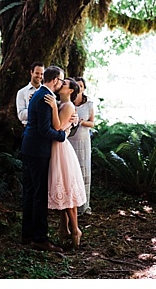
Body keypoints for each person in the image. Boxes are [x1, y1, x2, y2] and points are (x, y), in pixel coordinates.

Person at [20, 66, 68, 252]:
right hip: (38, 151)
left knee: (30, 193)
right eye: (61, 80)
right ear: (55, 80)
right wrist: (62, 135)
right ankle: (40, 238)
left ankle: (27, 235)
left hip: (29, 148)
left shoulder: (39, 94)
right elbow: (44, 130)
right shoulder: (45, 99)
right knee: (39, 195)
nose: (62, 84)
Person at [46, 78, 87, 248]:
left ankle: (76, 229)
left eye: (64, 84)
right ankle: (64, 228)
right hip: (55, 149)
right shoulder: (60, 103)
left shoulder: (68, 106)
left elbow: (57, 128)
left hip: (61, 150)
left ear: (70, 91)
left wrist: (54, 108)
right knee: (60, 189)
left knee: (67, 190)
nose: (60, 85)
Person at [70, 76, 96, 215]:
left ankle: (84, 206)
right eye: (77, 85)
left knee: (84, 172)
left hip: (84, 141)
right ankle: (71, 204)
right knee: (72, 172)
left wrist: (81, 122)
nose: (79, 87)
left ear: (84, 88)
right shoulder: (68, 103)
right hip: (70, 141)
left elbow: (92, 123)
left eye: (81, 85)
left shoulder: (89, 104)